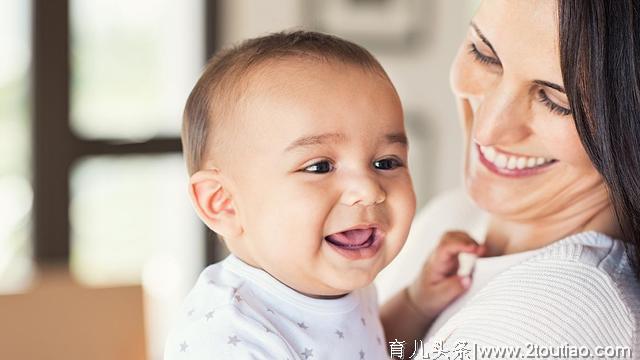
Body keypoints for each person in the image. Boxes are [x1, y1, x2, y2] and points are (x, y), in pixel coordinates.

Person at [163, 31, 483, 359]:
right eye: (319, 167)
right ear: (224, 203)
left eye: (385, 162)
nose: (369, 190)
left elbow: (365, 346)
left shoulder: (343, 285)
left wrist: (417, 304)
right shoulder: (227, 334)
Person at [380, 0, 640, 358]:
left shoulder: (554, 318)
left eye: (555, 101)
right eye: (484, 53)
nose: (487, 130)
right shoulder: (453, 216)